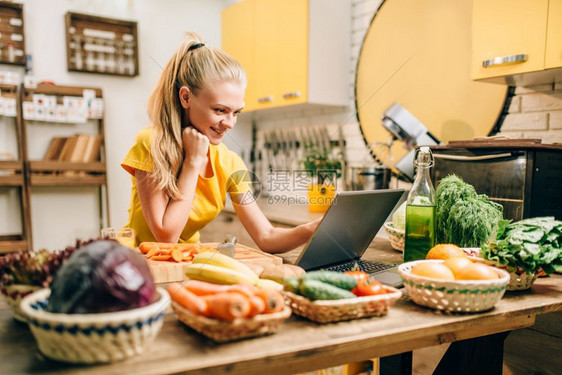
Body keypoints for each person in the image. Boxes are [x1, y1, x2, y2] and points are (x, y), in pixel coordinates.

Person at [121, 32, 320, 253]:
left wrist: (311, 229)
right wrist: (193, 161)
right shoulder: (151, 144)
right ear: (186, 97)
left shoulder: (229, 163)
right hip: (140, 268)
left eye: (236, 112)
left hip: (188, 264)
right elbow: (165, 236)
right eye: (220, 110)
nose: (229, 123)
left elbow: (266, 236)